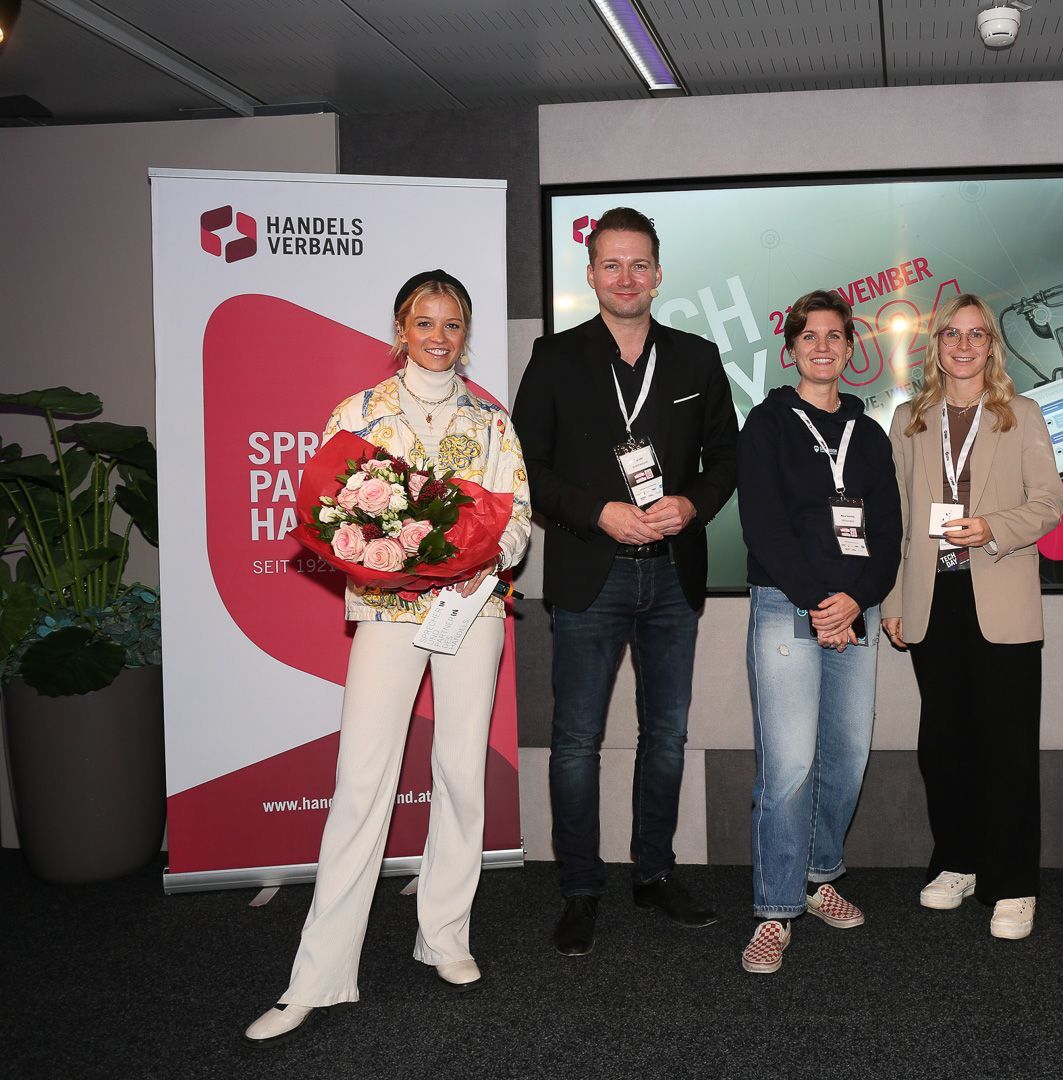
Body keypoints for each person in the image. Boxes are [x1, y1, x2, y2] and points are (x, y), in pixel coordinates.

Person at [246, 270, 531, 1043]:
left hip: (471, 611)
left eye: (452, 324)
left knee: (461, 774)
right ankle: (317, 977)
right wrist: (386, 552)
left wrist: (480, 556)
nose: (439, 336)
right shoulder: (358, 415)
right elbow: (331, 514)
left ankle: (444, 936)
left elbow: (517, 519)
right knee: (361, 781)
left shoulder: (491, 420)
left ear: (466, 334)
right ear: (401, 328)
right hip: (386, 610)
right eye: (424, 322)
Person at [512, 207, 739, 957]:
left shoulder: (697, 359)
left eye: (639, 264)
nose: (626, 277)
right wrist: (598, 512)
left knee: (666, 738)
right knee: (577, 742)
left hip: (673, 577)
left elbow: (726, 460)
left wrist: (691, 504)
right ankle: (580, 888)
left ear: (659, 273)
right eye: (611, 264)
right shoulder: (555, 358)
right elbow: (526, 468)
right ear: (591, 275)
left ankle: (654, 874)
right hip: (591, 575)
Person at [881, 293, 1063, 940]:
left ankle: (1012, 884)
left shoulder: (1022, 414)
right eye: (951, 334)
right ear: (936, 346)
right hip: (932, 600)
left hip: (1000, 597)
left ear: (992, 345)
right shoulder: (909, 419)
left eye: (976, 334)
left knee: (1007, 748)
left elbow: (1048, 504)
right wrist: (894, 601)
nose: (963, 345)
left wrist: (992, 527)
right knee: (944, 745)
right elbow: (897, 520)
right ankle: (957, 862)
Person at [733, 289, 902, 973]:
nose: (823, 347)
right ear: (791, 349)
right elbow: (763, 526)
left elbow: (887, 536)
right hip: (786, 604)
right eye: (810, 337)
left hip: (856, 610)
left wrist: (852, 602)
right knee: (790, 764)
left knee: (848, 755)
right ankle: (775, 911)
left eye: (835, 336)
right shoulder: (767, 424)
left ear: (851, 349)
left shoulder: (871, 434)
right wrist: (818, 603)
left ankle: (819, 873)